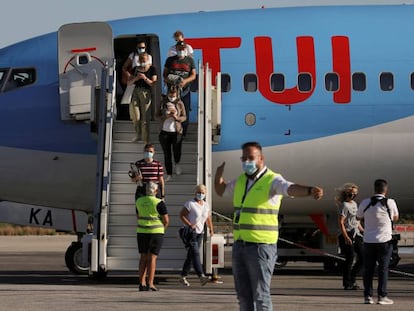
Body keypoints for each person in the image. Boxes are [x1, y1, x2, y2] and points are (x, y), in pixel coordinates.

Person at [214, 141, 323, 311]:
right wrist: (218, 175)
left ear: (261, 158)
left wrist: (309, 191)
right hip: (240, 246)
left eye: (251, 158)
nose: (246, 162)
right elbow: (221, 191)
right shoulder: (241, 181)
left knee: (261, 296)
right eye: (244, 158)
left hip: (261, 248)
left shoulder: (272, 180)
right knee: (243, 297)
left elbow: (290, 188)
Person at [357, 179, 399, 305]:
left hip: (368, 240)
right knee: (383, 269)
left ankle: (368, 296)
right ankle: (382, 296)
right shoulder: (390, 202)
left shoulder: (365, 202)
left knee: (368, 269)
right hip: (385, 241)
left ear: (374, 189)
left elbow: (358, 217)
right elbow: (395, 218)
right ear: (386, 190)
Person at [136, 182, 169, 291]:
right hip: (156, 232)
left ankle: (141, 283)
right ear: (156, 191)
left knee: (143, 257)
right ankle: (150, 283)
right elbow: (166, 220)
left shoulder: (139, 201)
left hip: (141, 231)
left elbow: (138, 215)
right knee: (152, 258)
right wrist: (163, 229)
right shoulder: (159, 203)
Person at [179, 184, 214, 287]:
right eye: (199, 192)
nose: (200, 194)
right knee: (196, 253)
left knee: (191, 256)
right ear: (195, 192)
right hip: (191, 233)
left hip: (200, 233)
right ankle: (201, 276)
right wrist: (189, 224)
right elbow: (181, 215)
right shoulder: (190, 204)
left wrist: (211, 229)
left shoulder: (206, 205)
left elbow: (208, 218)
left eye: (202, 193)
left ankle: (183, 276)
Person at [163, 41, 196, 137]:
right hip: (172, 92)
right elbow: (164, 74)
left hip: (184, 90)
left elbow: (193, 75)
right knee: (170, 110)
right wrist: (169, 80)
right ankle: (170, 131)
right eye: (179, 49)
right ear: (176, 49)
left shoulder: (190, 60)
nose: (181, 51)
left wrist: (185, 81)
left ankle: (183, 132)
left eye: (183, 49)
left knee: (184, 111)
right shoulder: (170, 60)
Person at [335, 182, 364, 290]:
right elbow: (341, 222)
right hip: (347, 233)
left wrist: (363, 230)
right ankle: (347, 283)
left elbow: (356, 220)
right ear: (346, 194)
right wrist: (346, 237)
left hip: (356, 232)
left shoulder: (355, 204)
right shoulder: (344, 205)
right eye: (351, 194)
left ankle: (353, 278)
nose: (352, 196)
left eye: (354, 194)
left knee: (362, 258)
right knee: (350, 258)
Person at [157, 87, 186, 182]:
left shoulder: (180, 103)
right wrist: (166, 116)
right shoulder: (163, 102)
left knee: (177, 150)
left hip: (176, 132)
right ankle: (169, 173)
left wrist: (176, 117)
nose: (172, 98)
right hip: (165, 132)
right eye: (170, 96)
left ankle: (177, 163)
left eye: (174, 96)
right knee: (167, 154)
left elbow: (184, 117)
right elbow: (156, 115)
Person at [128, 52, 157, 143]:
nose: (142, 62)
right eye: (141, 60)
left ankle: (146, 139)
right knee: (136, 117)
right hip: (136, 91)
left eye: (144, 60)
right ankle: (138, 134)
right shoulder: (135, 69)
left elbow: (153, 83)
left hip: (146, 92)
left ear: (148, 60)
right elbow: (129, 83)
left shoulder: (152, 69)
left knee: (145, 118)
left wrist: (145, 78)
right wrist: (136, 78)